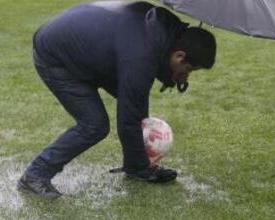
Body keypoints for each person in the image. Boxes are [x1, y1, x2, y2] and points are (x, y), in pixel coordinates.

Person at [17, 1, 216, 198]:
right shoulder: (143, 55)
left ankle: (136, 166)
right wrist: (141, 165)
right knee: (95, 125)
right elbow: (129, 121)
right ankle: (35, 175)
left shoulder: (163, 30)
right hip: (56, 57)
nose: (186, 76)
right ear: (179, 55)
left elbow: (134, 107)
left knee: (134, 103)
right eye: (188, 70)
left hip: (89, 50)